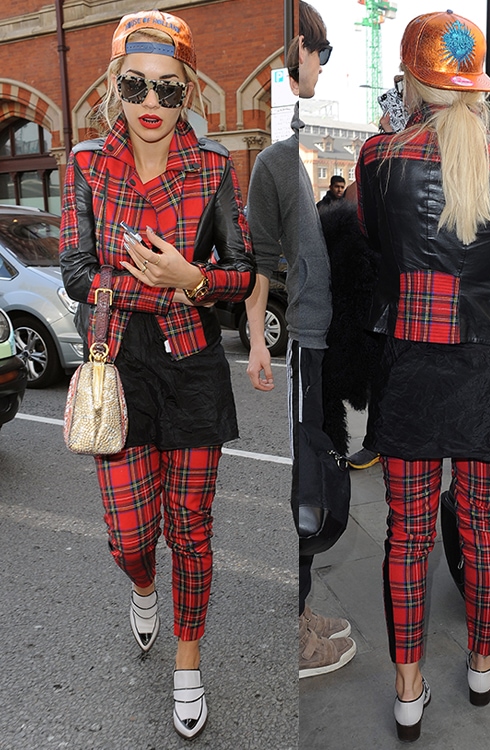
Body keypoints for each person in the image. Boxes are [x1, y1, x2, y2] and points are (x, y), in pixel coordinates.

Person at [356, 11, 490, 742]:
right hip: (482, 367)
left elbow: (379, 250)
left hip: (407, 360)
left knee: (406, 535)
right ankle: (481, 665)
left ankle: (408, 690)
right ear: (474, 87)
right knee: (485, 528)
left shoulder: (379, 157)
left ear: (412, 78)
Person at [59, 10, 255, 740]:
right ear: (116, 86)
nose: (151, 103)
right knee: (129, 535)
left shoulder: (212, 169)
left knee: (193, 532)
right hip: (118, 364)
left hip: (193, 366)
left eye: (169, 91)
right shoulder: (85, 164)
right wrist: (162, 281)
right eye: (137, 85)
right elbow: (76, 269)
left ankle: (188, 662)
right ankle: (143, 586)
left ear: (188, 94)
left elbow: (243, 272)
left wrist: (197, 280)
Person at [245, 1, 356, 679]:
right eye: (321, 49)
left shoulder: (310, 141)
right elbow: (260, 263)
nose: (322, 61)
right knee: (307, 484)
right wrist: (259, 340)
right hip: (306, 347)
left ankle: (302, 603)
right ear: (297, 50)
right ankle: (295, 635)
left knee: (319, 476)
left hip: (326, 343)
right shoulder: (273, 161)